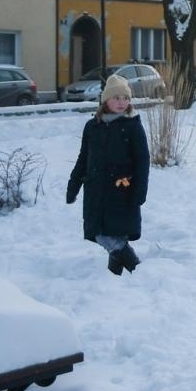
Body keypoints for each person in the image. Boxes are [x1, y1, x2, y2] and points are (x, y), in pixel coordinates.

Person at [65, 74, 151, 275]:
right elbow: (83, 158)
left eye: (125, 98)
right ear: (105, 100)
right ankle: (116, 278)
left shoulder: (133, 127)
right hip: (96, 191)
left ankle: (137, 270)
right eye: (116, 98)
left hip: (121, 191)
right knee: (102, 233)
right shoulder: (92, 126)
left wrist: (139, 192)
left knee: (111, 236)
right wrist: (74, 184)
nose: (122, 103)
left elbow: (142, 161)